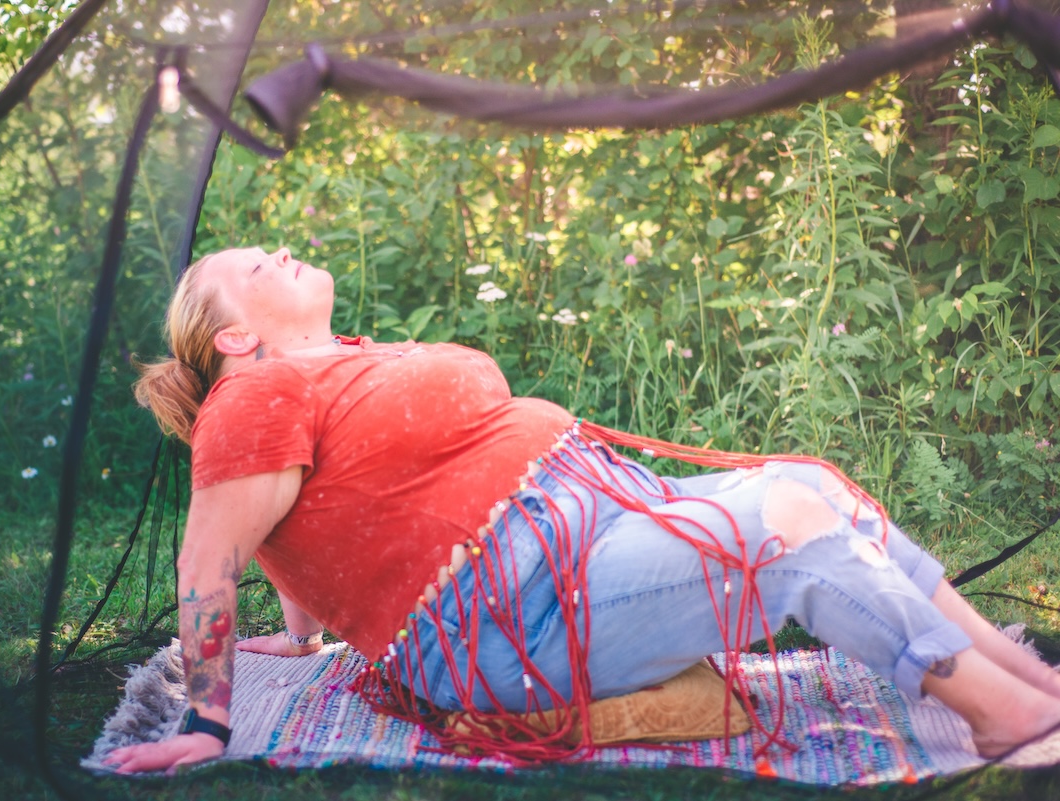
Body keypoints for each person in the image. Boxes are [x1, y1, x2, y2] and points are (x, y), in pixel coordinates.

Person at [106, 245, 1060, 774]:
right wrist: (208, 720)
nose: (282, 248)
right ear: (234, 334)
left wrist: (303, 633)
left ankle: (1018, 671)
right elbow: (213, 556)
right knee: (785, 525)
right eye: (257, 264)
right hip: (513, 611)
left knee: (814, 488)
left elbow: (307, 524)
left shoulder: (333, 367)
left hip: (588, 522)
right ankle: (993, 714)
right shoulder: (251, 400)